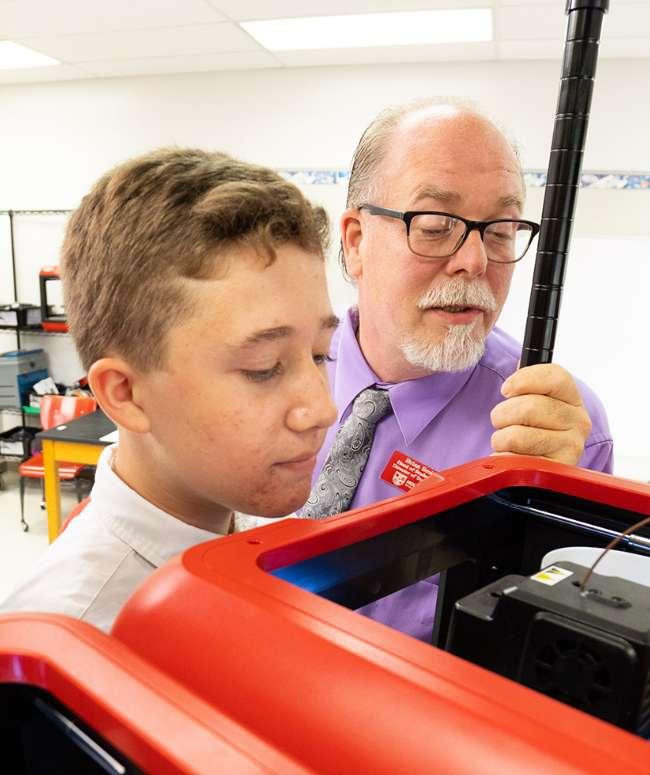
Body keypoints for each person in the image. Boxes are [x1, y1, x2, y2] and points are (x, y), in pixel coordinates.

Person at [303, 100, 612, 641]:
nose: (474, 261)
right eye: (436, 225)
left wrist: (550, 513)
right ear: (355, 242)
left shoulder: (554, 428)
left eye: (500, 230)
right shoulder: (271, 372)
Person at [0, 148, 338, 632]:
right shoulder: (65, 645)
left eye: (321, 353)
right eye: (264, 369)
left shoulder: (254, 529)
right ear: (126, 394)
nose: (322, 408)